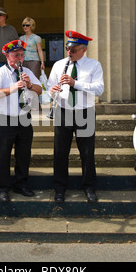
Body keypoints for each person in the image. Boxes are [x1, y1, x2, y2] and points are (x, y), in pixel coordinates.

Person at [47, 30, 104, 203]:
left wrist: (75, 83)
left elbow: (99, 89)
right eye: (67, 49)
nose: (69, 53)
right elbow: (49, 87)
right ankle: (59, 188)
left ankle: (89, 187)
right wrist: (52, 91)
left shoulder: (94, 65)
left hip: (84, 112)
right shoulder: (59, 65)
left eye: (73, 50)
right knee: (60, 152)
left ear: (83, 49)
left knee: (87, 153)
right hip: (63, 110)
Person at [0, 39, 42, 202]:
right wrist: (13, 88)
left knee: (23, 154)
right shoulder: (0, 73)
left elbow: (40, 90)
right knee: (3, 155)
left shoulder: (27, 71)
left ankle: (21, 184)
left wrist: (29, 84)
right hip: (3, 119)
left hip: (23, 118)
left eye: (21, 55)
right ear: (7, 55)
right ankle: (3, 187)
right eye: (16, 55)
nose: (19, 59)